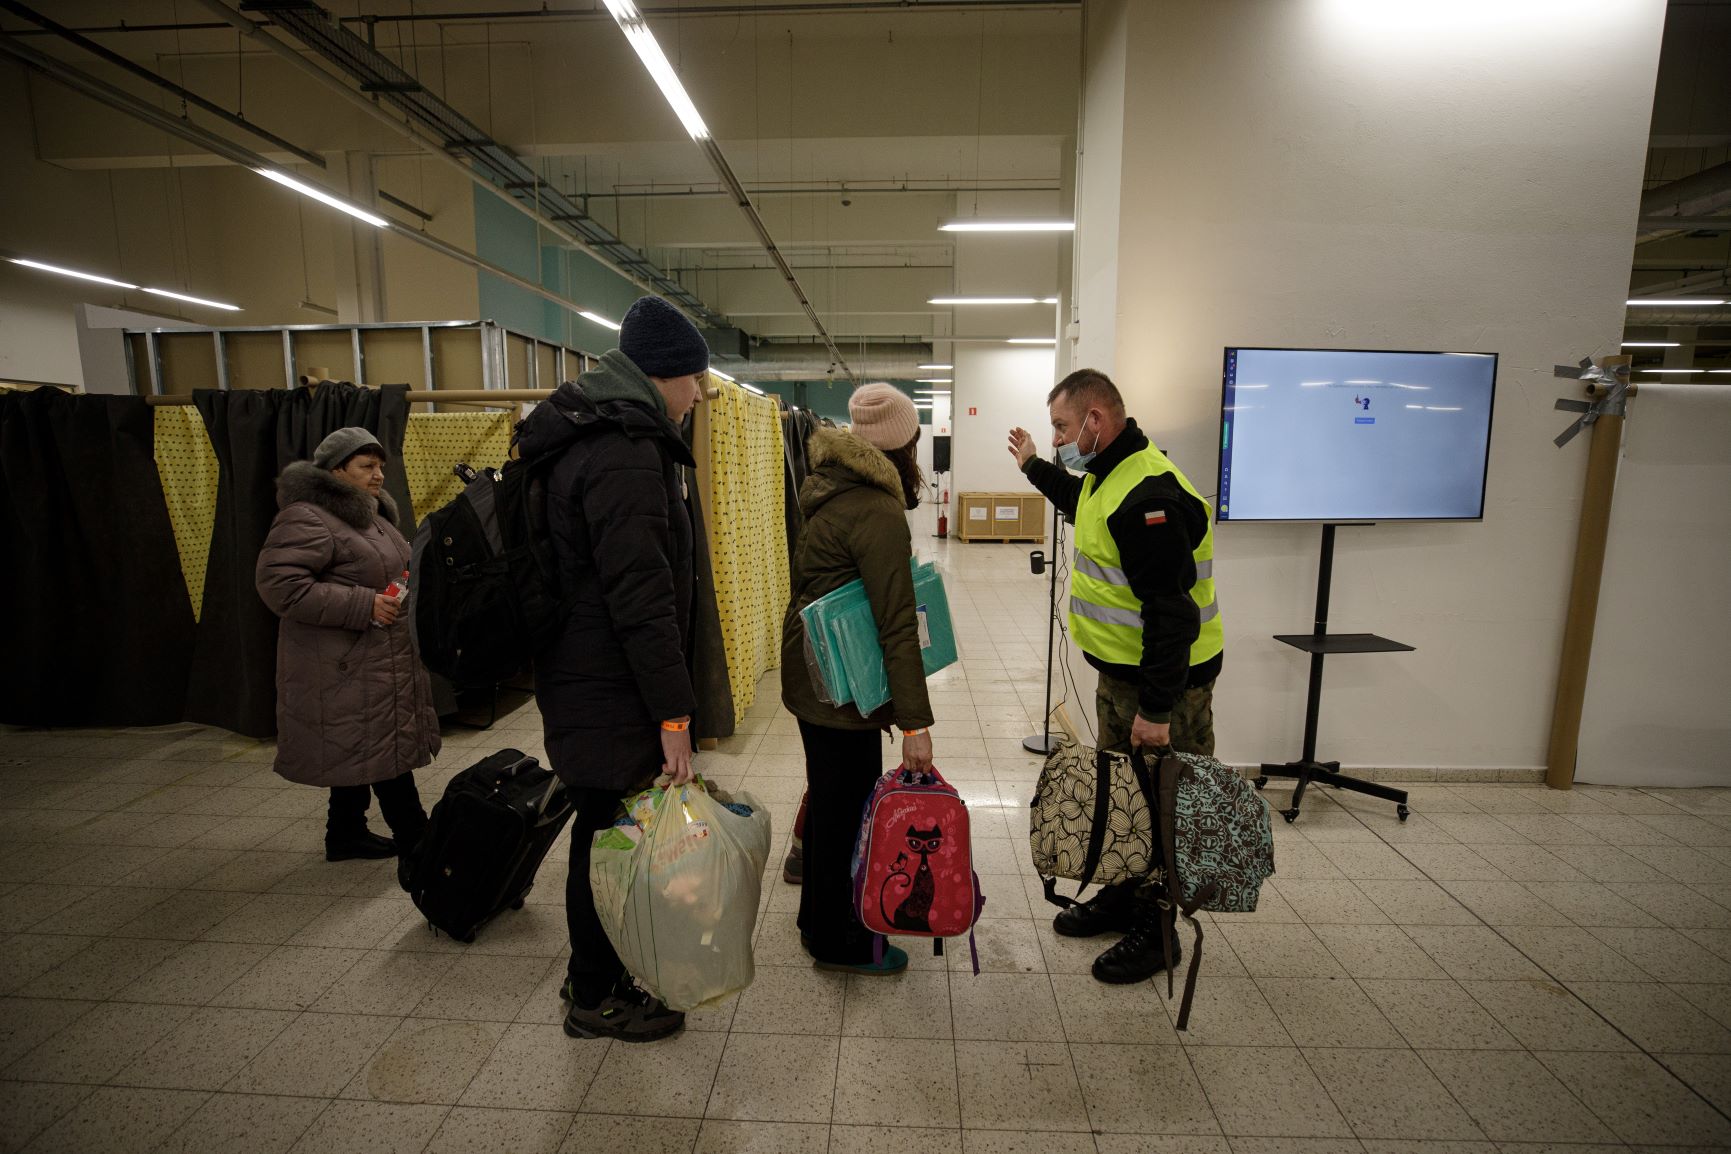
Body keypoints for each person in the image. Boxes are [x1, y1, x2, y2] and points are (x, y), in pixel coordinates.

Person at [517, 294, 709, 1044]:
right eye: (692, 378)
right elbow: (642, 600)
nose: (697, 394)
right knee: (604, 838)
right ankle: (592, 995)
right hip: (609, 684)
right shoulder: (625, 449)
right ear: (663, 376)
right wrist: (673, 714)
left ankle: (593, 975)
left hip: (583, 673)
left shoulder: (587, 433)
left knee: (603, 831)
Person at [1007, 368, 1224, 984]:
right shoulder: (1110, 476)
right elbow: (1082, 504)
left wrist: (1155, 711)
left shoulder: (1150, 496)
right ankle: (1126, 896)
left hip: (1166, 689)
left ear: (1095, 421)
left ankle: (1157, 933)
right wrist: (1031, 467)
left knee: (1160, 806)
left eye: (1061, 428)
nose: (1057, 441)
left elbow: (1173, 614)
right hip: (1127, 681)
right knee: (1127, 798)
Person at [781, 383, 935, 975]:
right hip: (843, 683)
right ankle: (836, 941)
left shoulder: (825, 485)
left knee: (829, 801)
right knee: (845, 810)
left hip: (811, 669)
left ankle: (814, 920)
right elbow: (896, 623)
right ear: (903, 443)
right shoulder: (875, 508)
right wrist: (916, 722)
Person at [256, 427, 438, 862]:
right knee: (386, 753)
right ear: (337, 471)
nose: (378, 476)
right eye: (367, 467)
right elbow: (279, 585)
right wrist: (364, 605)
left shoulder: (369, 516)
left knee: (360, 744)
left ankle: (345, 833)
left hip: (372, 656)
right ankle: (423, 844)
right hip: (344, 661)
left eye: (380, 467)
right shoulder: (308, 517)